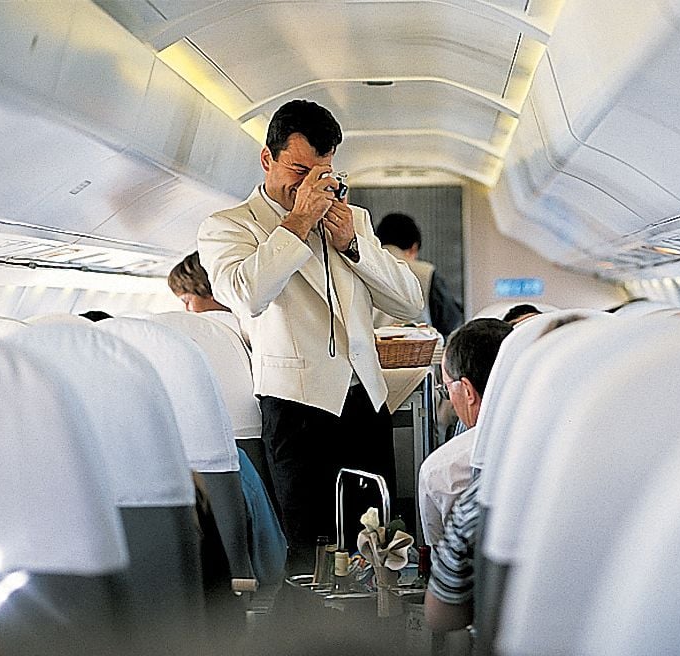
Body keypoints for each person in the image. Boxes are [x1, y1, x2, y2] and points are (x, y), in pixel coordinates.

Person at [197, 99, 424, 572]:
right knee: (310, 552)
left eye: (321, 172)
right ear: (267, 159)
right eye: (298, 171)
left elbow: (409, 302)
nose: (310, 186)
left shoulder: (352, 220)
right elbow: (247, 295)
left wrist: (353, 245)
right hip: (298, 408)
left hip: (366, 401)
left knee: (376, 545)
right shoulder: (228, 226)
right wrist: (297, 222)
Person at [418, 319, 512, 547]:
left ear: (468, 391)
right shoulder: (566, 443)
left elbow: (438, 557)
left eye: (447, 387)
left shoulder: (441, 470)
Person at [374, 212, 463, 337]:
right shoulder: (425, 272)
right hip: (418, 352)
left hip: (370, 350)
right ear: (413, 248)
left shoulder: (363, 267)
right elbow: (450, 321)